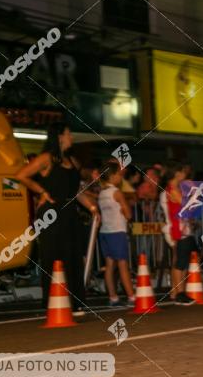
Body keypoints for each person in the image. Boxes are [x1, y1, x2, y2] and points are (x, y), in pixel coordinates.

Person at [15, 122, 98, 313]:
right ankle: (52, 301)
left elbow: (77, 191)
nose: (72, 138)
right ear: (60, 137)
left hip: (69, 213)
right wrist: (41, 191)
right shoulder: (46, 158)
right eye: (69, 134)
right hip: (51, 212)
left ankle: (76, 301)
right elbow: (21, 175)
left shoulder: (73, 161)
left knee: (73, 256)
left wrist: (93, 208)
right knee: (53, 255)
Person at [98, 160, 136, 307]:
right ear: (113, 175)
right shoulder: (116, 192)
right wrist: (125, 209)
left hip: (105, 232)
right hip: (117, 232)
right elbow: (129, 214)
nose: (121, 178)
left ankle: (113, 297)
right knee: (123, 265)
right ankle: (131, 297)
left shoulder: (102, 193)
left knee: (109, 266)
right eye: (119, 175)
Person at [161, 162, 197, 306]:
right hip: (177, 228)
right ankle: (180, 293)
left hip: (182, 227)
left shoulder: (175, 189)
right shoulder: (172, 190)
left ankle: (177, 291)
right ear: (177, 173)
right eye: (182, 172)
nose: (185, 175)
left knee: (182, 259)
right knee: (180, 262)